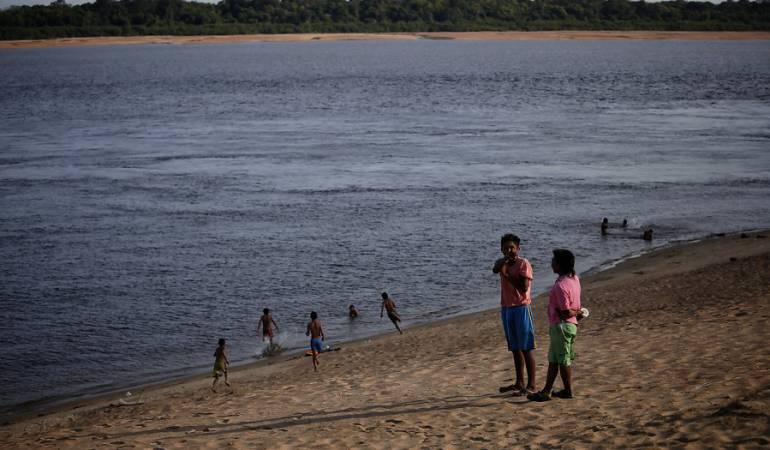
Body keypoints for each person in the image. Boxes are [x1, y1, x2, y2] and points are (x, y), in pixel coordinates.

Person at [528, 249, 583, 402]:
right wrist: (577, 312)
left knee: (563, 359)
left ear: (559, 265)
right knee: (554, 359)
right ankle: (547, 390)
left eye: (554, 261)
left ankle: (567, 390)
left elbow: (565, 312)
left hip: (562, 326)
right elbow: (572, 308)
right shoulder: (574, 279)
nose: (551, 263)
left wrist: (572, 312)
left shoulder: (560, 286)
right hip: (568, 325)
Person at [492, 233, 536, 396]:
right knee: (515, 348)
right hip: (507, 308)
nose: (509, 250)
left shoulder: (523, 263)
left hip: (521, 308)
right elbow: (495, 268)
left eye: (512, 247)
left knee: (526, 347)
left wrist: (507, 274)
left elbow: (524, 288)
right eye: (505, 248)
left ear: (518, 248)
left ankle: (531, 385)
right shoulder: (503, 262)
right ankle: (519, 382)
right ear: (501, 249)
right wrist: (502, 265)